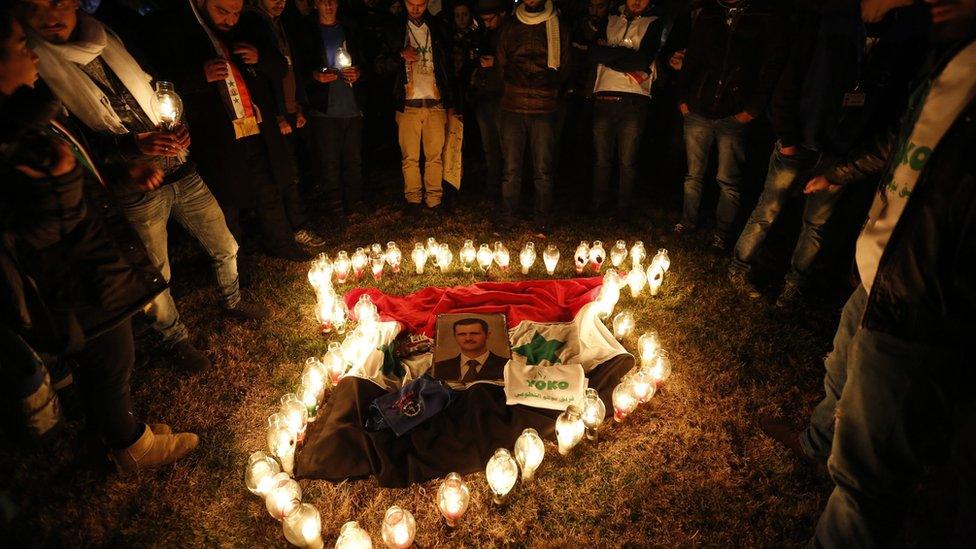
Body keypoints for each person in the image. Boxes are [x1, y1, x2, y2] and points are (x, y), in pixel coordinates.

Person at [767, 0, 976, 543]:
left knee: (869, 470)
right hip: (878, 269)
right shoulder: (949, 62)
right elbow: (905, 143)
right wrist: (841, 172)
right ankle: (816, 444)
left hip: (918, 304)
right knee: (840, 365)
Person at [17, 0, 270, 372]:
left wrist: (177, 123)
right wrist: (131, 150)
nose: (50, 16)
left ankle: (233, 300)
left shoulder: (109, 40)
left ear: (73, 3)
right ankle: (174, 338)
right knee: (157, 273)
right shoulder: (37, 70)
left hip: (179, 169)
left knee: (224, 242)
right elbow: (74, 144)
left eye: (57, 2)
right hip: (134, 187)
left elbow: (156, 89)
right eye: (35, 8)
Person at [0, 10, 197, 474]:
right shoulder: (12, 139)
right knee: (111, 355)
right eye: (14, 41)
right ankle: (129, 445)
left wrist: (117, 172)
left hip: (88, 256)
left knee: (109, 354)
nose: (28, 48)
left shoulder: (33, 114)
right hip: (69, 274)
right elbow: (35, 234)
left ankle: (110, 429)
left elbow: (81, 173)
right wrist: (66, 187)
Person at [727, 0, 929, 308]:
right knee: (767, 211)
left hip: (839, 152)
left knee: (817, 226)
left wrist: (850, 157)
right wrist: (788, 139)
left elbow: (883, 104)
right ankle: (739, 267)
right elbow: (789, 81)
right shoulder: (827, 24)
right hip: (800, 142)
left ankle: (794, 285)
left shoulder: (898, 39)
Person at [140, 0, 313, 262]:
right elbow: (157, 80)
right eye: (223, 11)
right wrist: (201, 74)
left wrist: (260, 56)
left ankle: (281, 243)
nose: (232, 21)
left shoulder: (250, 25)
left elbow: (279, 67)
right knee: (225, 199)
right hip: (216, 133)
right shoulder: (171, 26)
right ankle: (234, 260)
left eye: (236, 12)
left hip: (257, 126)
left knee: (269, 188)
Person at [675, 0, 789, 250]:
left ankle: (722, 232)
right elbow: (692, 57)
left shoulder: (763, 13)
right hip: (698, 110)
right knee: (693, 174)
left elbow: (771, 64)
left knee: (728, 179)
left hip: (734, 113)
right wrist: (683, 98)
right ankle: (687, 222)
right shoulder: (709, 13)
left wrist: (752, 109)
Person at [248, 0, 327, 247]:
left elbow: (291, 69)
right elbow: (262, 80)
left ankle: (297, 223)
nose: (279, 2)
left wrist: (298, 107)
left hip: (290, 109)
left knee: (295, 170)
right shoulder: (254, 26)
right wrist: (278, 116)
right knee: (285, 174)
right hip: (272, 116)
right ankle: (292, 229)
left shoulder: (280, 25)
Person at [588, 0, 669, 221]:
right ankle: (598, 208)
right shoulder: (611, 19)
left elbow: (644, 58)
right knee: (602, 159)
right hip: (604, 97)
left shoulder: (653, 23)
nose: (637, 2)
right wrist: (626, 55)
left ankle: (623, 211)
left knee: (627, 160)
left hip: (634, 100)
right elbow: (594, 53)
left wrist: (610, 52)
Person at [495, 0, 570, 234]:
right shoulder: (509, 26)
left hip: (545, 109)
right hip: (513, 107)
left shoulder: (559, 27)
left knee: (543, 169)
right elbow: (501, 63)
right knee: (511, 169)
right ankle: (508, 218)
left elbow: (565, 66)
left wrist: (549, 88)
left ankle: (542, 221)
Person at [297, 0, 366, 218]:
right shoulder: (307, 32)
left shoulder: (351, 29)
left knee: (353, 159)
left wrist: (359, 73)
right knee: (329, 162)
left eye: (332, 1)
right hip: (324, 109)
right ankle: (335, 208)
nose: (328, 6)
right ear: (315, 3)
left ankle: (354, 204)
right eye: (323, 1)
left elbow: (365, 61)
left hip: (351, 107)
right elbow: (297, 69)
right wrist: (315, 76)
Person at [393, 0, 456, 212]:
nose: (416, 8)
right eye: (411, 4)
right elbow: (379, 63)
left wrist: (450, 102)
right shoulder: (395, 29)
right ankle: (413, 199)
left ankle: (434, 199)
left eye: (420, 4)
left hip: (435, 103)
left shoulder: (437, 29)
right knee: (409, 156)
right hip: (408, 104)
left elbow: (448, 66)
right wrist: (400, 55)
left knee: (434, 155)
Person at [467, 0, 505, 198]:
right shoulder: (482, 33)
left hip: (502, 96)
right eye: (484, 20)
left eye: (490, 20)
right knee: (489, 145)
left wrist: (496, 63)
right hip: (483, 95)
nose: (487, 23)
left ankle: (507, 187)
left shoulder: (508, 33)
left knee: (504, 144)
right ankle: (493, 185)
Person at [431, 317, 508, 382]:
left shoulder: (507, 365)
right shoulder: (439, 368)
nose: (468, 338)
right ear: (455, 337)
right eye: (462, 334)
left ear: (487, 335)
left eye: (474, 333)